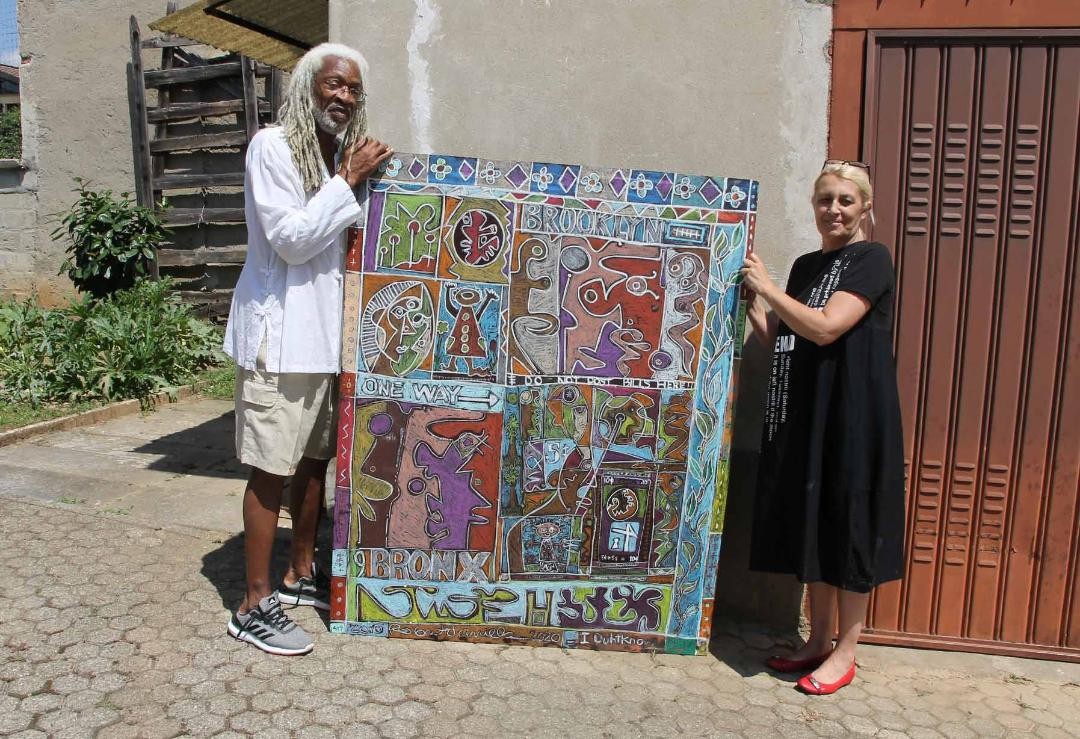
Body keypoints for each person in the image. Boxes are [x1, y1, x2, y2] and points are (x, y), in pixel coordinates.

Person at [222, 43, 393, 655]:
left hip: (324, 339)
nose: (343, 96)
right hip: (280, 340)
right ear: (307, 86)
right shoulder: (272, 147)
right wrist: (348, 181)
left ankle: (299, 572)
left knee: (315, 462)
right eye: (334, 84)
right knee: (271, 468)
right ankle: (253, 603)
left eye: (353, 90)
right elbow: (292, 240)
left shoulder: (334, 156)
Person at [741, 161, 905, 695]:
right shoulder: (807, 266)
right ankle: (817, 641)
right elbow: (787, 337)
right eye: (824, 200)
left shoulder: (872, 259)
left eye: (845, 200)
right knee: (816, 523)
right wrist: (753, 304)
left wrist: (769, 289)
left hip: (854, 414)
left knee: (850, 528)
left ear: (865, 206)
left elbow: (828, 327)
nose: (834, 209)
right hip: (811, 413)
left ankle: (846, 653)